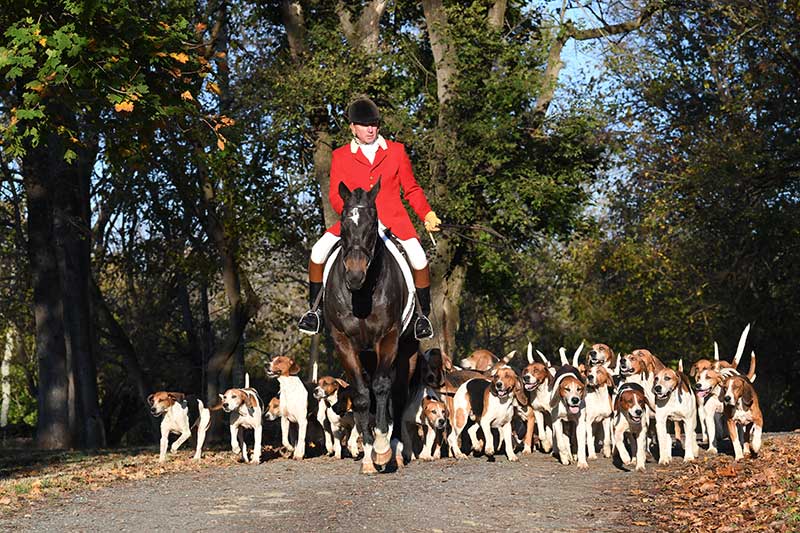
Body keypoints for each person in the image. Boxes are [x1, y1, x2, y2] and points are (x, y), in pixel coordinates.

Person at [298, 96, 441, 340]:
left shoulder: (396, 151)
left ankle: (421, 317)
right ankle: (315, 312)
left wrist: (426, 213)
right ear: (352, 127)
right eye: (365, 125)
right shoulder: (341, 156)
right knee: (317, 252)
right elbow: (335, 194)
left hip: (394, 220)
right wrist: (353, 212)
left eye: (374, 124)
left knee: (419, 258)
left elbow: (412, 189)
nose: (371, 129)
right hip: (356, 223)